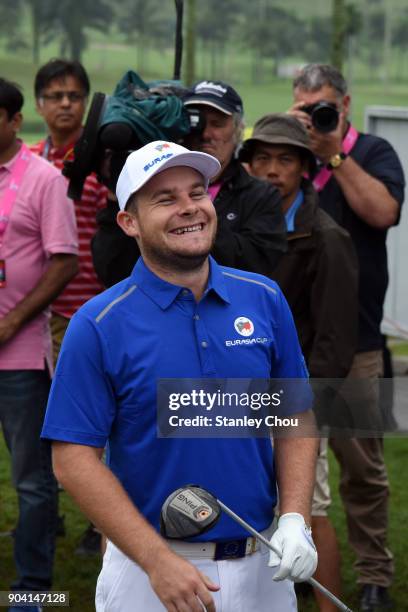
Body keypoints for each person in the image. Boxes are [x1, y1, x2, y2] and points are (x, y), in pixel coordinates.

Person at [42, 140, 319, 611]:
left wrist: (295, 517)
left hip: (262, 566)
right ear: (129, 222)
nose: (189, 209)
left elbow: (294, 415)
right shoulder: (99, 323)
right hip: (152, 573)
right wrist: (155, 561)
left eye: (196, 193)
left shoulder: (264, 298)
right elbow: (72, 458)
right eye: (165, 199)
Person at [290, 63, 405, 612]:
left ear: (346, 104)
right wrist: (294, 144)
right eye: (305, 109)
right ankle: (298, 567)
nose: (314, 118)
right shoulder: (286, 157)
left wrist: (334, 153)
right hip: (294, 346)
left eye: (324, 108)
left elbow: (382, 212)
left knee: (362, 471)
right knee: (290, 470)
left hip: (358, 344)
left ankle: (375, 576)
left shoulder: (374, 152)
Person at [241, 113, 359, 611]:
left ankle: (328, 604)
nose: (271, 170)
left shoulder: (327, 236)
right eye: (262, 158)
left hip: (296, 398)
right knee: (254, 507)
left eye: (285, 159)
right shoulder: (239, 223)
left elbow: (335, 337)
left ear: (304, 168)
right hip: (239, 392)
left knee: (309, 510)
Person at [0, 77, 78, 612]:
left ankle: (34, 587)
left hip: (20, 358)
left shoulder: (44, 179)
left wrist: (12, 322)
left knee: (32, 479)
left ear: (12, 119)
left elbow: (64, 258)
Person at [91, 79, 287, 287]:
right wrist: (117, 193)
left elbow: (254, 266)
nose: (205, 134)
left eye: (217, 124)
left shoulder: (260, 195)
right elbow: (112, 271)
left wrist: (193, 220)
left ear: (238, 130)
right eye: (196, 122)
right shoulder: (146, 188)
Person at [31, 58, 108, 554]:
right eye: (55, 95)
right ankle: (47, 514)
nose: (64, 104)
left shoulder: (101, 159)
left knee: (95, 424)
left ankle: (101, 522)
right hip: (36, 315)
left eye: (74, 95)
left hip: (90, 311)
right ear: (38, 105)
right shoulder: (30, 161)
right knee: (42, 422)